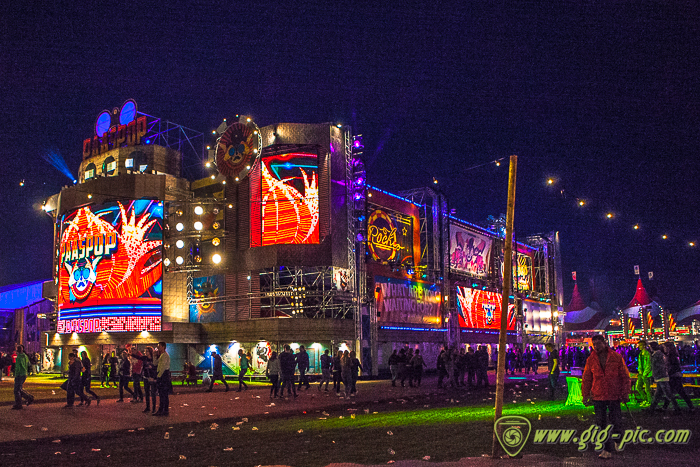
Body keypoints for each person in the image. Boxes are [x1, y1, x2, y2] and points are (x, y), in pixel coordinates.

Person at [581, 334, 631, 459]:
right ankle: (606, 448)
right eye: (594, 345)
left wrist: (625, 392)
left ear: (604, 343)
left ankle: (617, 439)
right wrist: (585, 394)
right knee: (601, 423)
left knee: (616, 421)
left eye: (598, 344)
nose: (596, 347)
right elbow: (587, 377)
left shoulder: (616, 357)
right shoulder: (591, 359)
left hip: (614, 394)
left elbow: (624, 376)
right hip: (598, 395)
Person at [646, 341, 681, 413]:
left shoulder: (657, 355)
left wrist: (655, 374)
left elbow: (658, 366)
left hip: (661, 377)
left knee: (668, 394)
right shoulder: (659, 354)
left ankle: (677, 409)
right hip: (661, 377)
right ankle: (652, 408)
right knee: (657, 395)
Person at [662, 341, 694, 411]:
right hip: (675, 376)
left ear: (668, 348)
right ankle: (666, 407)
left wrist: (667, 373)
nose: (663, 349)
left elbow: (673, 367)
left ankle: (689, 407)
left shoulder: (671, 356)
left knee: (678, 392)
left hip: (674, 376)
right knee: (673, 392)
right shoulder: (673, 355)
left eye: (664, 347)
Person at [11, 345, 34, 409]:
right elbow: (29, 364)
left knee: (17, 390)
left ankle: (20, 403)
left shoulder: (18, 357)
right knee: (18, 389)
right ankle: (27, 399)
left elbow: (18, 367)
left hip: (19, 374)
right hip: (24, 374)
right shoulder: (25, 356)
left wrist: (15, 374)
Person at [154, 342, 170, 416]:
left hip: (163, 376)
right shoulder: (162, 355)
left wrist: (159, 376)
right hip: (162, 375)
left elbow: (163, 367)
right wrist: (154, 356)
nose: (158, 348)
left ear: (163, 347)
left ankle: (164, 410)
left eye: (159, 346)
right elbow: (155, 363)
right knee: (162, 394)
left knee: (163, 394)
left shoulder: (165, 356)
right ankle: (162, 409)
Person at [635, 340, 652, 407]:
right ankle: (645, 399)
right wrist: (640, 371)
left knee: (647, 388)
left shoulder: (647, 354)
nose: (639, 347)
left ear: (644, 346)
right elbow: (640, 364)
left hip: (646, 374)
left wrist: (645, 373)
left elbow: (649, 364)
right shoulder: (640, 354)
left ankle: (649, 401)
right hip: (641, 373)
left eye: (640, 345)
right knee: (638, 387)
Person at [141, 346, 158, 414]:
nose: (145, 352)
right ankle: (148, 407)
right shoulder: (145, 358)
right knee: (146, 392)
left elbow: (156, 367)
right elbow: (139, 357)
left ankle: (154, 408)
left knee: (153, 393)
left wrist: (152, 367)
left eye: (147, 351)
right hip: (146, 377)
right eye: (145, 351)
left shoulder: (153, 359)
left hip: (152, 377)